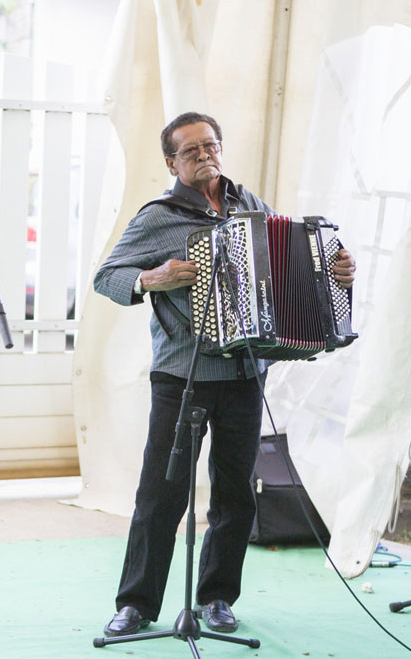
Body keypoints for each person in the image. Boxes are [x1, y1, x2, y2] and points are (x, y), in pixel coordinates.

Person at [93, 111, 356, 637]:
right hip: (181, 373)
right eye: (191, 151)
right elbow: (107, 276)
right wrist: (155, 276)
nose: (204, 155)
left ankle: (216, 599)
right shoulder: (158, 216)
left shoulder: (249, 205)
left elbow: (297, 254)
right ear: (171, 161)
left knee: (235, 494)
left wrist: (335, 267)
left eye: (210, 146)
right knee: (161, 494)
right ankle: (137, 605)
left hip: (243, 372)